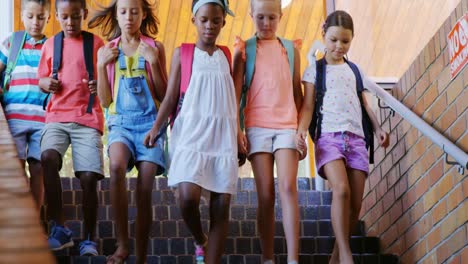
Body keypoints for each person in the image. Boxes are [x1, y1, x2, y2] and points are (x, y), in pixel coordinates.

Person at [144, 0, 237, 263]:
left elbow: (234, 100)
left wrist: (239, 136)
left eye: (216, 21)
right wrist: (156, 128)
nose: (210, 26)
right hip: (190, 134)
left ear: (223, 22)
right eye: (204, 20)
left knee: (221, 207)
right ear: (194, 20)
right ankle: (200, 239)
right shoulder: (182, 53)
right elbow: (171, 96)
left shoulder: (227, 56)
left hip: (222, 136)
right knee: (187, 197)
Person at [296, 10, 390, 264]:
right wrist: (301, 132)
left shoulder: (354, 70)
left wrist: (378, 128)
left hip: (357, 140)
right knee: (341, 189)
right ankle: (347, 256)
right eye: (334, 40)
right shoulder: (315, 70)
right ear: (323, 33)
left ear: (352, 40)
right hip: (329, 138)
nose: (339, 46)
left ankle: (336, 258)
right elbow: (307, 107)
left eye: (345, 41)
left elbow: (364, 104)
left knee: (355, 205)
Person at [88, 0, 168, 262]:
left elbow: (162, 94)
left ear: (143, 14)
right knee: (117, 167)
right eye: (123, 11)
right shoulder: (108, 50)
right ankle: (122, 245)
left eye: (134, 11)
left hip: (150, 125)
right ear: (116, 15)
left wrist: (154, 62)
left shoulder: (155, 47)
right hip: (121, 122)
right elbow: (105, 100)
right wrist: (100, 66)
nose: (129, 17)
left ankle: (141, 256)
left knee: (145, 189)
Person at [232, 0, 303, 263]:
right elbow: (236, 91)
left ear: (281, 16)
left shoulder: (289, 49)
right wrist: (238, 129)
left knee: (287, 186)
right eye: (260, 17)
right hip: (256, 126)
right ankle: (268, 258)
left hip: (287, 125)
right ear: (251, 16)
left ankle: (293, 258)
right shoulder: (246, 49)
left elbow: (298, 91)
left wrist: (302, 131)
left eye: (272, 18)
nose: (266, 24)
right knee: (265, 194)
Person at [37, 0, 105, 256]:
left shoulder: (96, 44)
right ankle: (60, 229)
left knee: (88, 177)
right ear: (56, 16)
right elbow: (41, 79)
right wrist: (46, 83)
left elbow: (107, 82)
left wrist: (99, 85)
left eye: (75, 17)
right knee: (47, 157)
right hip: (56, 117)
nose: (69, 22)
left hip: (87, 117)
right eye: (64, 17)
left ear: (84, 15)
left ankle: (89, 239)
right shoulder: (50, 44)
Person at [0, 0, 50, 211]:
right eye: (30, 17)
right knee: (17, 167)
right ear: (22, 16)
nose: (35, 22)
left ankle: (35, 216)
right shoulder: (12, 42)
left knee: (39, 168)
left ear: (48, 17)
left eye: (40, 17)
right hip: (14, 116)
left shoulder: (52, 46)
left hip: (43, 118)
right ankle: (16, 214)